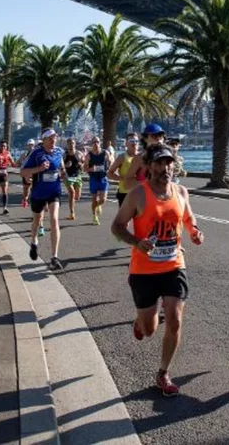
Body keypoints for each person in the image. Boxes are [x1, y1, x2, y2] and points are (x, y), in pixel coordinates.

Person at [111, 143, 204, 397]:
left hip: (174, 265)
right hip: (143, 270)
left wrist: (194, 232)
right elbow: (117, 226)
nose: (166, 168)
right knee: (150, 329)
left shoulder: (181, 192)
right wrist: (136, 242)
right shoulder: (138, 195)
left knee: (174, 319)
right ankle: (141, 323)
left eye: (169, 162)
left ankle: (163, 373)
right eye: (160, 163)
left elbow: (188, 218)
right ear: (149, 167)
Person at [21, 128, 67, 271]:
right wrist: (39, 169)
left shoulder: (59, 152)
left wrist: (64, 174)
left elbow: (61, 168)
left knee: (54, 219)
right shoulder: (36, 153)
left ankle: (54, 257)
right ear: (44, 140)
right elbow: (23, 171)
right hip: (38, 193)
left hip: (54, 191)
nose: (54, 141)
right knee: (36, 220)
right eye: (51, 139)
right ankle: (34, 242)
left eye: (55, 138)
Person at [124, 124, 166, 192]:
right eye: (154, 136)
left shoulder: (168, 157)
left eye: (160, 136)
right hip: (146, 197)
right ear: (145, 139)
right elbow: (127, 183)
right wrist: (148, 184)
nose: (158, 138)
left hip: (164, 197)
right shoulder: (140, 158)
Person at [108, 132, 140, 207]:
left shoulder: (142, 157)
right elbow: (109, 174)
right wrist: (122, 178)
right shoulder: (122, 157)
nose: (134, 143)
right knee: (124, 217)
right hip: (125, 192)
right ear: (126, 144)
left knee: (139, 217)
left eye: (136, 141)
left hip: (139, 191)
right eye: (131, 141)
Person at [85, 136, 112, 225]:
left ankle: (98, 206)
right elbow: (84, 168)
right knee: (94, 200)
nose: (96, 143)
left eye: (97, 141)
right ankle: (94, 216)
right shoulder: (89, 155)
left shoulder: (105, 153)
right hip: (93, 179)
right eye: (94, 142)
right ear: (91, 144)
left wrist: (108, 168)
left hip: (103, 178)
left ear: (99, 142)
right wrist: (90, 169)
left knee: (103, 199)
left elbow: (110, 161)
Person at [64, 138, 85, 220]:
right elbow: (59, 165)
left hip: (77, 176)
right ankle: (72, 213)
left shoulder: (79, 154)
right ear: (67, 145)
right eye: (69, 143)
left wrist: (81, 165)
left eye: (72, 143)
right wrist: (66, 165)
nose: (71, 145)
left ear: (75, 144)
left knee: (77, 197)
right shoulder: (64, 155)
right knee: (72, 193)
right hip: (67, 176)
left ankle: (72, 205)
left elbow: (84, 163)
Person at [18, 139, 37, 209]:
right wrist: (22, 163)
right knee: (26, 189)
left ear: (34, 145)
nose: (30, 146)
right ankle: (25, 199)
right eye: (29, 145)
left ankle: (34, 203)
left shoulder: (36, 154)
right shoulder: (24, 154)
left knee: (34, 190)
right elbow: (18, 162)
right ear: (27, 146)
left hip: (34, 174)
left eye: (32, 145)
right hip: (26, 173)